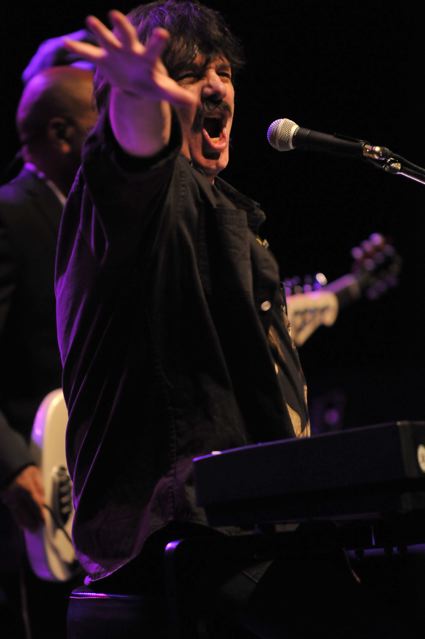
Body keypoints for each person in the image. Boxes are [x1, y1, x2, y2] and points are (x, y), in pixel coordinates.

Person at [55, 3, 397, 637]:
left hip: (246, 527)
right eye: (189, 74)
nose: (215, 87)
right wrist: (138, 97)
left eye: (223, 73)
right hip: (177, 536)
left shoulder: (229, 213)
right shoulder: (132, 199)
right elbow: (136, 156)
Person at [0, 65, 97, 638]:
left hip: (90, 488)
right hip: (33, 498)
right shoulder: (10, 213)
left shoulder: (91, 212)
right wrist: (12, 464)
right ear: (61, 133)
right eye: (99, 119)